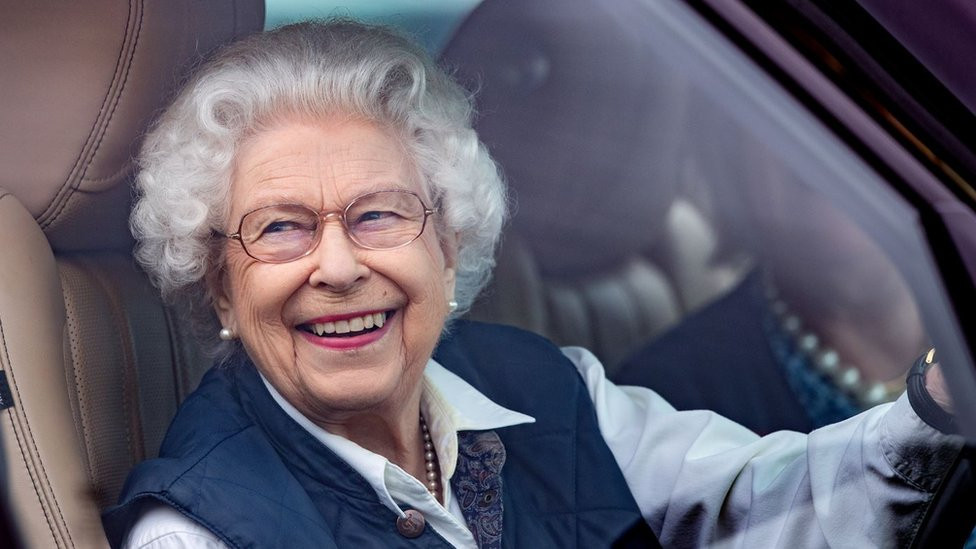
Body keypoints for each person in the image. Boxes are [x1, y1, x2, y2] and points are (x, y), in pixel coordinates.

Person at [102, 20, 965, 548]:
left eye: (378, 215)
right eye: (281, 227)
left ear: (448, 241)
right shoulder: (196, 530)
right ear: (219, 284)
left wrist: (941, 398)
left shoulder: (549, 388)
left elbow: (774, 511)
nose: (337, 266)